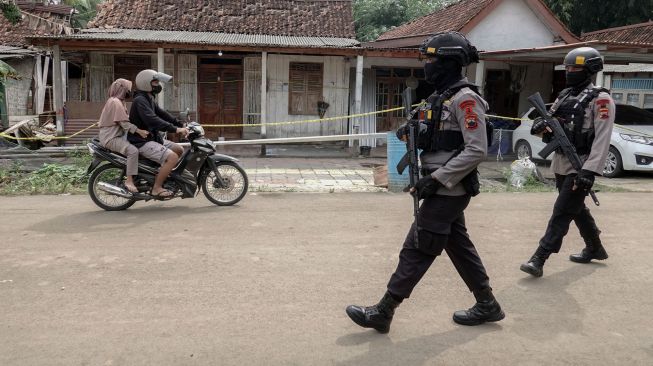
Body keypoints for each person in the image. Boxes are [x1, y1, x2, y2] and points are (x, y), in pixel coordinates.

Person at [345, 31, 504, 333]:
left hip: (449, 187)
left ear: (449, 62)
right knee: (459, 246)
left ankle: (384, 310)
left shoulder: (466, 99)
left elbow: (476, 149)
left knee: (419, 245)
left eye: (432, 59)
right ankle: (487, 303)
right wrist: (412, 130)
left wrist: (438, 180)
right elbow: (429, 131)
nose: (427, 65)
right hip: (439, 184)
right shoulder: (438, 97)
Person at [520, 47, 615, 278]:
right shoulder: (564, 96)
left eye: (576, 68)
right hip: (561, 162)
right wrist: (541, 128)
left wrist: (590, 171)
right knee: (576, 208)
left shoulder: (601, 100)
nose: (570, 72)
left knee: (562, 211)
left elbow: (602, 139)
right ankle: (595, 247)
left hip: (581, 164)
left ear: (590, 70)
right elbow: (550, 124)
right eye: (568, 67)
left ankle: (539, 258)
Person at [127, 69, 189, 199]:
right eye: (155, 82)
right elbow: (153, 120)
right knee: (172, 157)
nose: (158, 85)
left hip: (153, 138)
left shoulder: (148, 98)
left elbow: (162, 114)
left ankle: (161, 175)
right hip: (141, 141)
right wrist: (175, 130)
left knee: (179, 149)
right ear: (145, 83)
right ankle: (156, 188)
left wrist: (180, 123)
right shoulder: (140, 100)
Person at [97, 78, 149, 193]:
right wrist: (139, 131)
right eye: (127, 89)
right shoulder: (115, 102)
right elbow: (124, 123)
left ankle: (137, 177)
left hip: (116, 135)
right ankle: (129, 180)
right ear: (122, 89)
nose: (129, 92)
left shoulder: (119, 101)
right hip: (111, 138)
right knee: (133, 151)